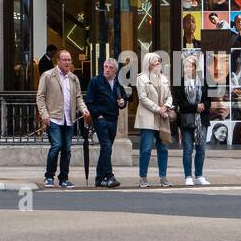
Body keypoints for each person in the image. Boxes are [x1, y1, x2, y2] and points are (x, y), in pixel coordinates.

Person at [35, 50, 90, 189]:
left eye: (69, 60)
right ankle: (49, 176)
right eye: (64, 60)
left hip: (68, 119)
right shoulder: (48, 76)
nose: (67, 62)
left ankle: (64, 178)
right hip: (54, 118)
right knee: (57, 146)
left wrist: (84, 109)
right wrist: (44, 114)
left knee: (67, 149)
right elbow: (40, 96)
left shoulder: (73, 78)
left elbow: (78, 97)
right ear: (58, 61)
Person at [85, 58, 127, 187]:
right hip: (101, 119)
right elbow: (89, 101)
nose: (107, 70)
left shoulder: (118, 83)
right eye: (105, 67)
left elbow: (124, 98)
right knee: (106, 146)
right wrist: (98, 115)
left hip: (113, 118)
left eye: (110, 68)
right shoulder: (96, 81)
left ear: (115, 70)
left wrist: (122, 103)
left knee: (106, 149)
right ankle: (109, 176)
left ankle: (99, 179)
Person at [135, 52, 173, 187]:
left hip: (162, 118)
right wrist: (159, 109)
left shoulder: (164, 78)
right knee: (145, 149)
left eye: (159, 61)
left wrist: (167, 106)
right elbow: (143, 98)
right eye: (156, 61)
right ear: (148, 63)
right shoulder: (141, 78)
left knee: (163, 149)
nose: (158, 63)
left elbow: (169, 96)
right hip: (148, 118)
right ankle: (143, 178)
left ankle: (163, 177)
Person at [172, 54, 212, 185]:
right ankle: (188, 176)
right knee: (188, 149)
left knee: (201, 149)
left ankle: (199, 175)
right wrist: (196, 107)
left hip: (202, 120)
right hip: (186, 120)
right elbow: (180, 104)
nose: (187, 69)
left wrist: (203, 106)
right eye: (186, 66)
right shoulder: (180, 83)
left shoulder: (203, 81)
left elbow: (208, 100)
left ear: (196, 68)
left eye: (190, 66)